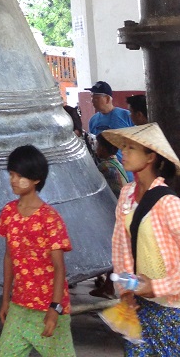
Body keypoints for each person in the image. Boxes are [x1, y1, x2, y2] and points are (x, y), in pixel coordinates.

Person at [103, 122, 180, 356]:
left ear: (150, 157)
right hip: (140, 304)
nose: (123, 152)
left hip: (172, 309)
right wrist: (125, 288)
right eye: (123, 147)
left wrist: (156, 286)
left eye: (131, 148)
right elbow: (121, 245)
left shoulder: (170, 204)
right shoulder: (126, 194)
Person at [0, 144, 76, 357]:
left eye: (19, 175)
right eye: (11, 174)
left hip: (49, 307)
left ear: (36, 179)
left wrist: (55, 308)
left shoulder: (51, 219)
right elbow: (9, 257)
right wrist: (5, 299)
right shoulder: (8, 213)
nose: (13, 180)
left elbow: (59, 268)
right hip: (19, 306)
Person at [96, 134, 130, 198]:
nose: (96, 148)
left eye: (98, 145)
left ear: (102, 148)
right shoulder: (117, 163)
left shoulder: (105, 166)